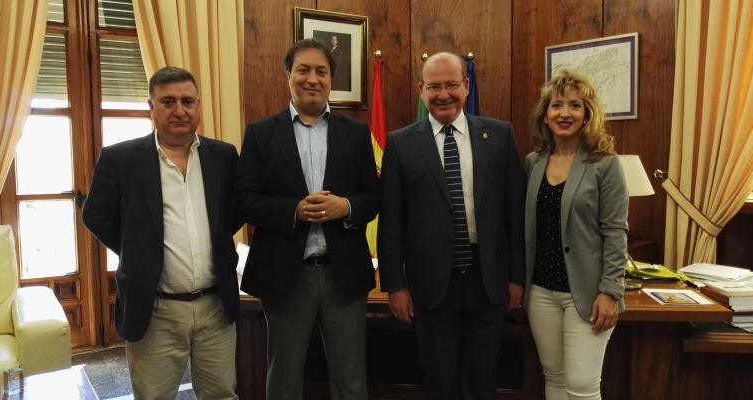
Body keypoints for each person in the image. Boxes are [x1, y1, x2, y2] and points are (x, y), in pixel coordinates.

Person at [82, 66, 241, 400]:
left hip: (215, 306)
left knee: (222, 394)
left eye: (187, 101)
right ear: (151, 107)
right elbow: (96, 215)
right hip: (154, 311)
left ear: (199, 105)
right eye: (168, 102)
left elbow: (235, 212)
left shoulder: (223, 156)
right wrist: (138, 250)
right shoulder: (121, 159)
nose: (179, 110)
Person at [377, 52, 526, 399]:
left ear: (466, 86)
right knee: (439, 381)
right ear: (421, 90)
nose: (443, 94)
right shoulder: (400, 144)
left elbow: (514, 214)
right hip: (430, 286)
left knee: (482, 380)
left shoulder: (500, 136)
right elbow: (392, 221)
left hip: (487, 281)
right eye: (434, 87)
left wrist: (516, 277)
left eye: (451, 85)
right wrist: (394, 286)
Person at [236, 38, 378, 400]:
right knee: (283, 379)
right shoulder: (261, 134)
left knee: (350, 378)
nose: (312, 79)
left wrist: (346, 207)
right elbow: (244, 201)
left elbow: (374, 198)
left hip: (343, 275)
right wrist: (292, 211)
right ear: (288, 76)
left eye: (321, 71)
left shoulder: (357, 133)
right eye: (303, 70)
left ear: (331, 79)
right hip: (286, 275)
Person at [524, 69, 628, 400]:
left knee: (582, 386)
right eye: (557, 105)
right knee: (554, 378)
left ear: (587, 115)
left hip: (588, 293)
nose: (565, 113)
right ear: (545, 114)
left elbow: (615, 232)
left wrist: (611, 291)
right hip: (541, 291)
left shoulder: (604, 164)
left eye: (574, 106)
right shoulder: (533, 162)